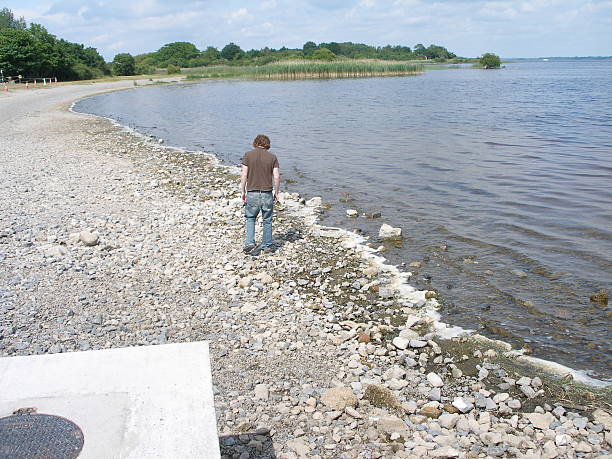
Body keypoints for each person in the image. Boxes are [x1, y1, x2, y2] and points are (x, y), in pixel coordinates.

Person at [240, 134, 280, 253]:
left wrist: (242, 190)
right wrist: (276, 192)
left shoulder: (248, 155)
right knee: (267, 219)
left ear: (255, 143)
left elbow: (244, 174)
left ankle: (250, 243)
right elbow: (277, 177)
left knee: (251, 217)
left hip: (252, 192)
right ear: (267, 144)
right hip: (267, 193)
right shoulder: (272, 157)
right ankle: (267, 245)